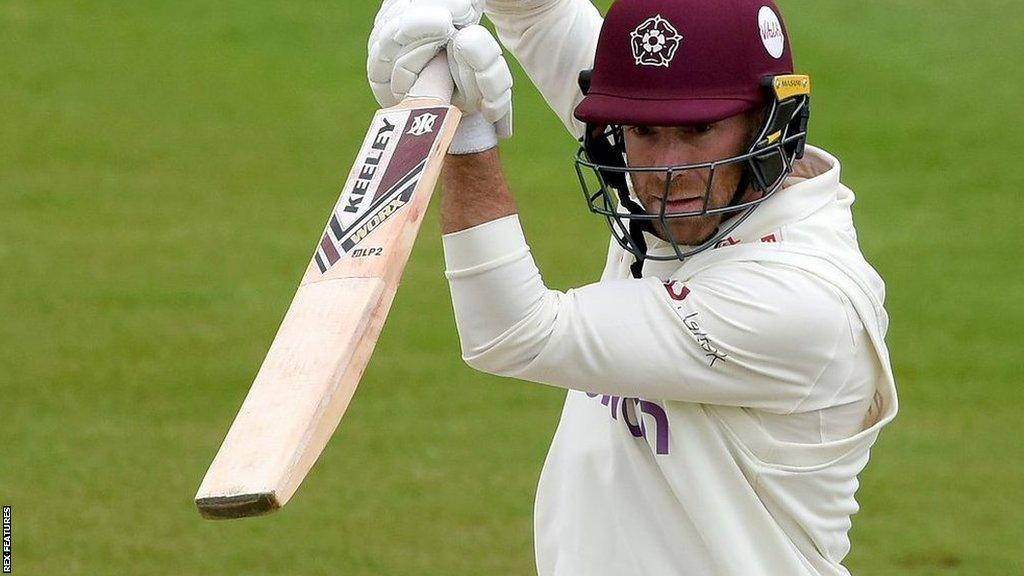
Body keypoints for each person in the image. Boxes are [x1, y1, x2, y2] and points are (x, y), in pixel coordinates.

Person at [367, 0, 898, 574]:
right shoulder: (703, 197)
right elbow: (538, 14)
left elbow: (513, 333)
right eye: (643, 130)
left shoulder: (799, 302)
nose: (667, 172)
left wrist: (464, 133)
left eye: (699, 130)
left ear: (769, 123)